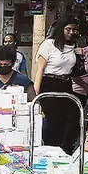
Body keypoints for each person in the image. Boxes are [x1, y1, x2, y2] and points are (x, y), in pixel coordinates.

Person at [34, 16, 81, 154]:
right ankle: (51, 149)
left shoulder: (74, 46)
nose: (71, 32)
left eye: (73, 29)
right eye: (68, 29)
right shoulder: (48, 44)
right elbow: (40, 69)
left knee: (73, 116)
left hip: (65, 83)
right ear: (61, 29)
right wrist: (36, 90)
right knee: (54, 119)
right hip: (49, 83)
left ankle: (66, 150)